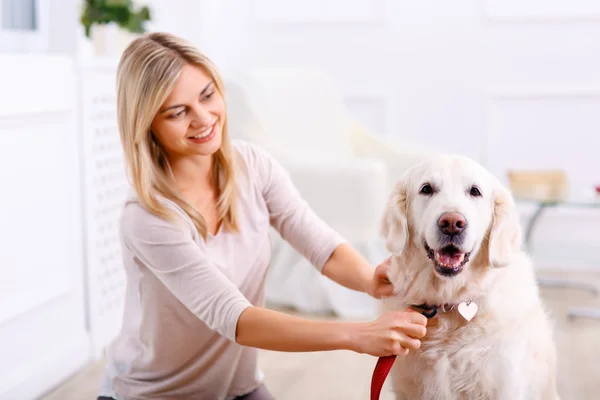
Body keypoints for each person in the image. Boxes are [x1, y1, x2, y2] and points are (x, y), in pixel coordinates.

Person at [97, 31, 427, 400]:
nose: (204, 118)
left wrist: (369, 279)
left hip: (238, 387)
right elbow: (235, 319)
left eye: (208, 95)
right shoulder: (148, 217)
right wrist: (357, 335)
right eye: (177, 112)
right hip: (156, 394)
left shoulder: (252, 166)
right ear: (147, 125)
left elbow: (318, 243)